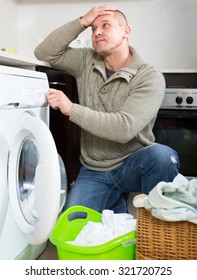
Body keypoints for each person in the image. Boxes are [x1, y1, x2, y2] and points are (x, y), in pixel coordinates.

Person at [34, 5, 180, 214]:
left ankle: (153, 228)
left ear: (126, 31)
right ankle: (115, 205)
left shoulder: (149, 76)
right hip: (94, 169)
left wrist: (71, 109)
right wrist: (82, 21)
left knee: (163, 156)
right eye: (93, 29)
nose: (97, 32)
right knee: (74, 226)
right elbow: (43, 52)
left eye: (105, 25)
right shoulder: (86, 60)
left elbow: (124, 128)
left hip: (134, 164)